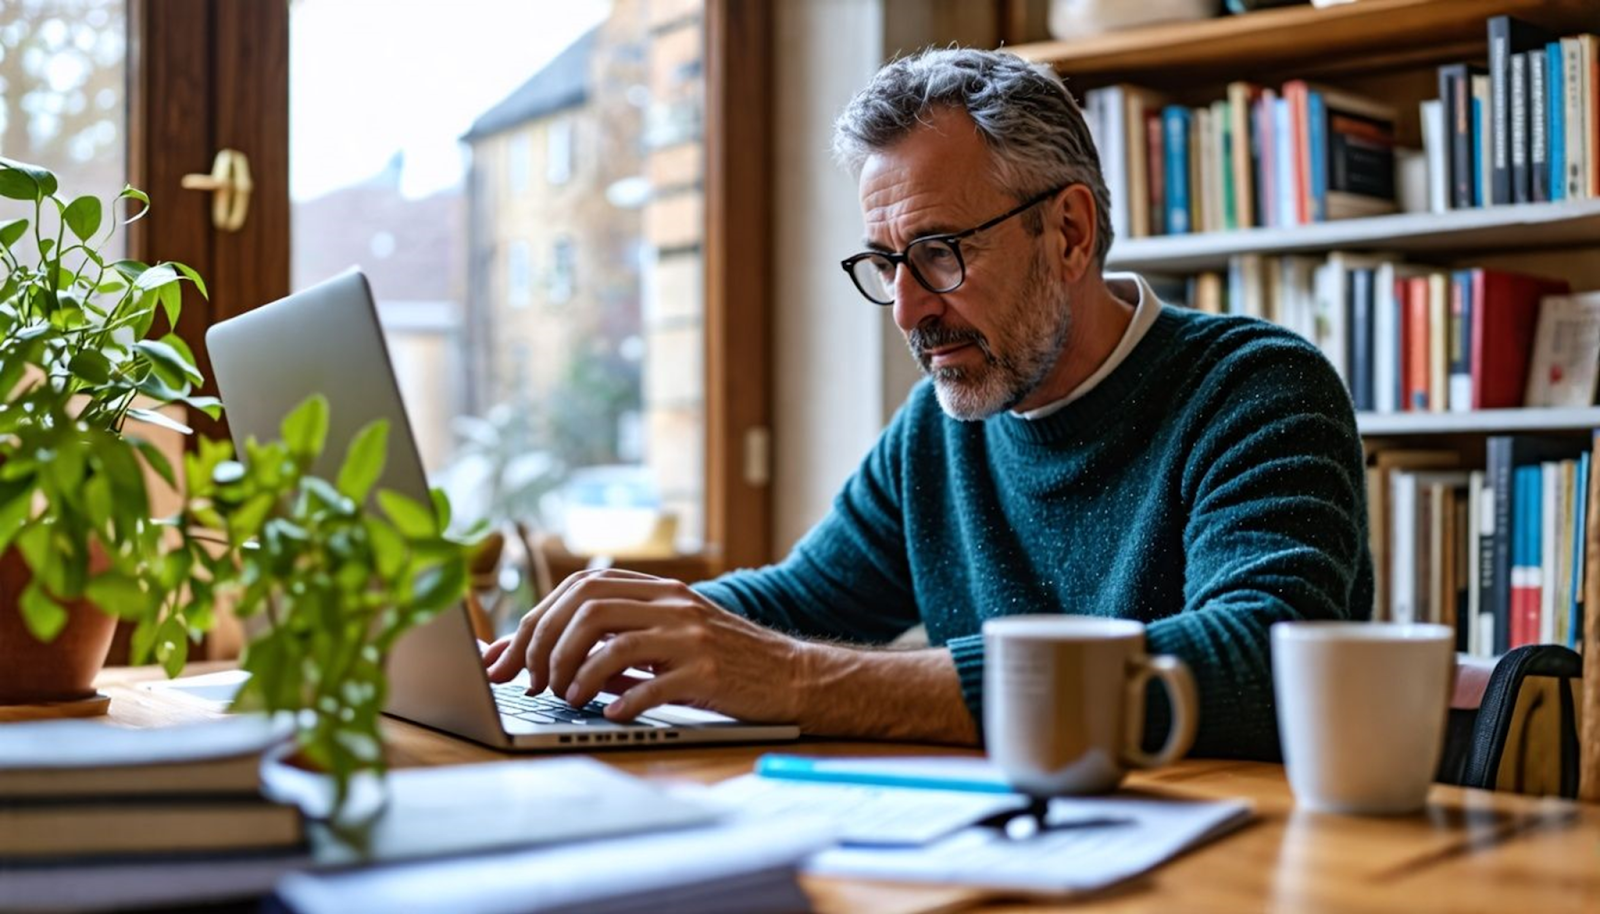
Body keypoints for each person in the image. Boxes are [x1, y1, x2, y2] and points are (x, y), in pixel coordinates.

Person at [484, 46, 1372, 760]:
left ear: (1068, 232)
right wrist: (626, 628)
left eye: (941, 251)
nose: (907, 308)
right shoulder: (939, 427)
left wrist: (798, 681)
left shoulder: (1256, 389)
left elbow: (1261, 657)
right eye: (885, 262)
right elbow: (802, 598)